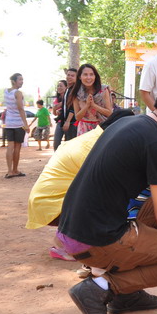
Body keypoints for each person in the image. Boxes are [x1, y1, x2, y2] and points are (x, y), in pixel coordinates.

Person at [57, 77, 157, 314]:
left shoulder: (129, 121)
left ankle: (127, 296)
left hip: (72, 229)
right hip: (94, 238)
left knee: (153, 209)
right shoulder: (156, 144)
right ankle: (101, 288)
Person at [26, 109, 135, 260]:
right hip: (52, 204)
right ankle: (67, 244)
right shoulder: (97, 145)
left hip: (46, 201)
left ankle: (67, 239)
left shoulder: (92, 138)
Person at [72, 64, 112, 136]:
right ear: (80, 77)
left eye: (91, 74)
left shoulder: (103, 90)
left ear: (95, 76)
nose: (88, 77)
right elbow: (77, 117)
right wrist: (87, 105)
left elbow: (109, 113)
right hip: (84, 129)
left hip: (101, 128)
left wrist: (93, 105)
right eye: (85, 74)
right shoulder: (76, 92)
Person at [3, 72, 30, 178]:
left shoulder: (6, 91)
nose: (22, 82)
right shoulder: (18, 93)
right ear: (14, 81)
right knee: (17, 147)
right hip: (18, 123)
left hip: (9, 123)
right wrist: (26, 124)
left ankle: (9, 171)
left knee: (10, 147)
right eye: (20, 79)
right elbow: (20, 108)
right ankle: (15, 170)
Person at [55, 69, 78, 150]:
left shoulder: (75, 89)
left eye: (72, 76)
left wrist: (68, 121)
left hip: (73, 123)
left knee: (71, 147)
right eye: (68, 75)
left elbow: (73, 107)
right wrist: (61, 112)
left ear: (77, 77)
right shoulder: (68, 89)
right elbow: (66, 106)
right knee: (65, 145)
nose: (70, 77)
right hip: (66, 122)